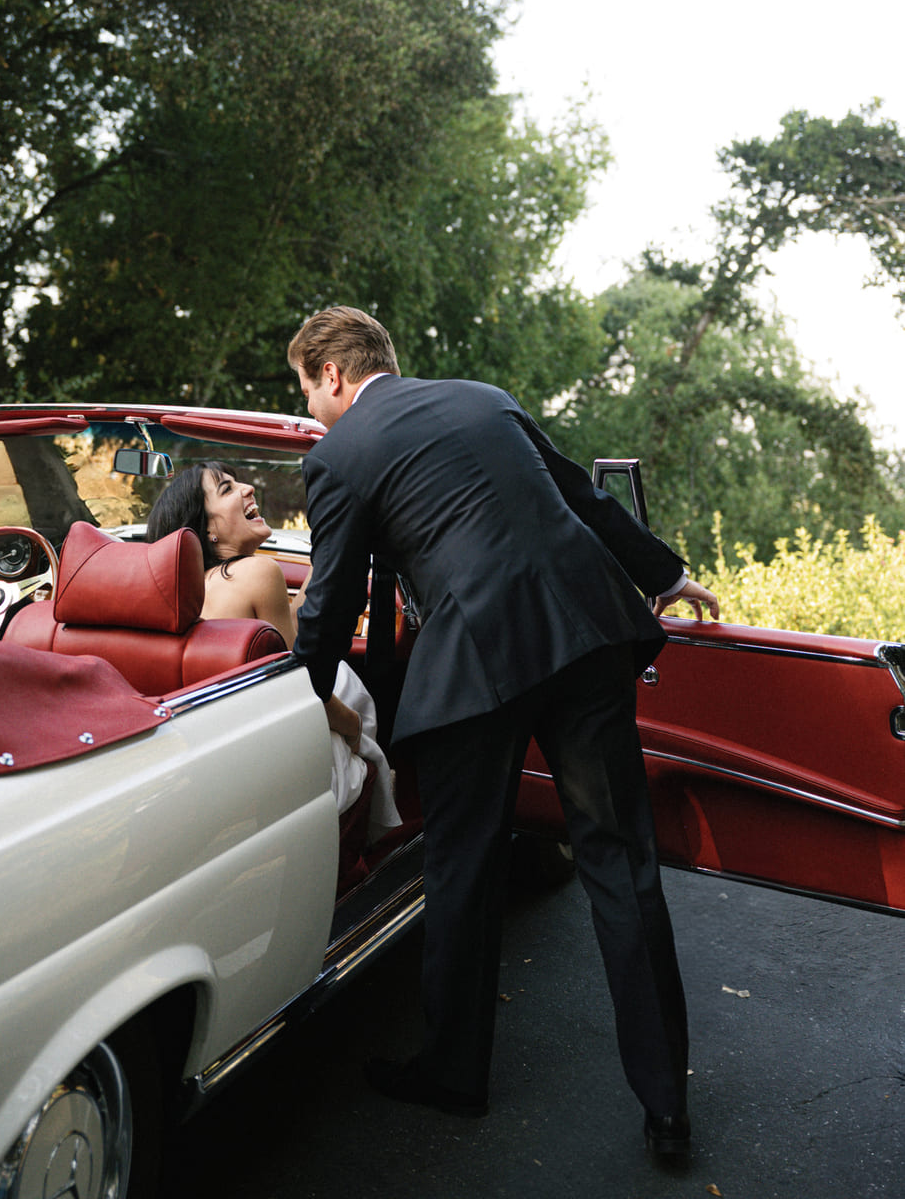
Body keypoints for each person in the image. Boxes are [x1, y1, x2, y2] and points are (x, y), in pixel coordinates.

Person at [286, 305, 719, 1159]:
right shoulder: (486, 398)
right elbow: (581, 497)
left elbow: (329, 603)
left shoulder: (338, 455)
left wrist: (299, 696)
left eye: (304, 388)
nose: (309, 408)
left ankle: (454, 1074)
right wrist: (663, 572)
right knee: (620, 865)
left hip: (475, 668)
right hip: (586, 634)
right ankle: (667, 1105)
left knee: (461, 865)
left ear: (330, 374)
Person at [146, 462, 400, 834]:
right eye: (228, 489)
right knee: (343, 676)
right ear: (209, 528)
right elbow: (307, 689)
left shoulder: (178, 593)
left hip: (217, 758)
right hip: (287, 756)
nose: (248, 488)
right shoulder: (258, 573)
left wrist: (327, 557)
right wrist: (356, 729)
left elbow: (288, 636)